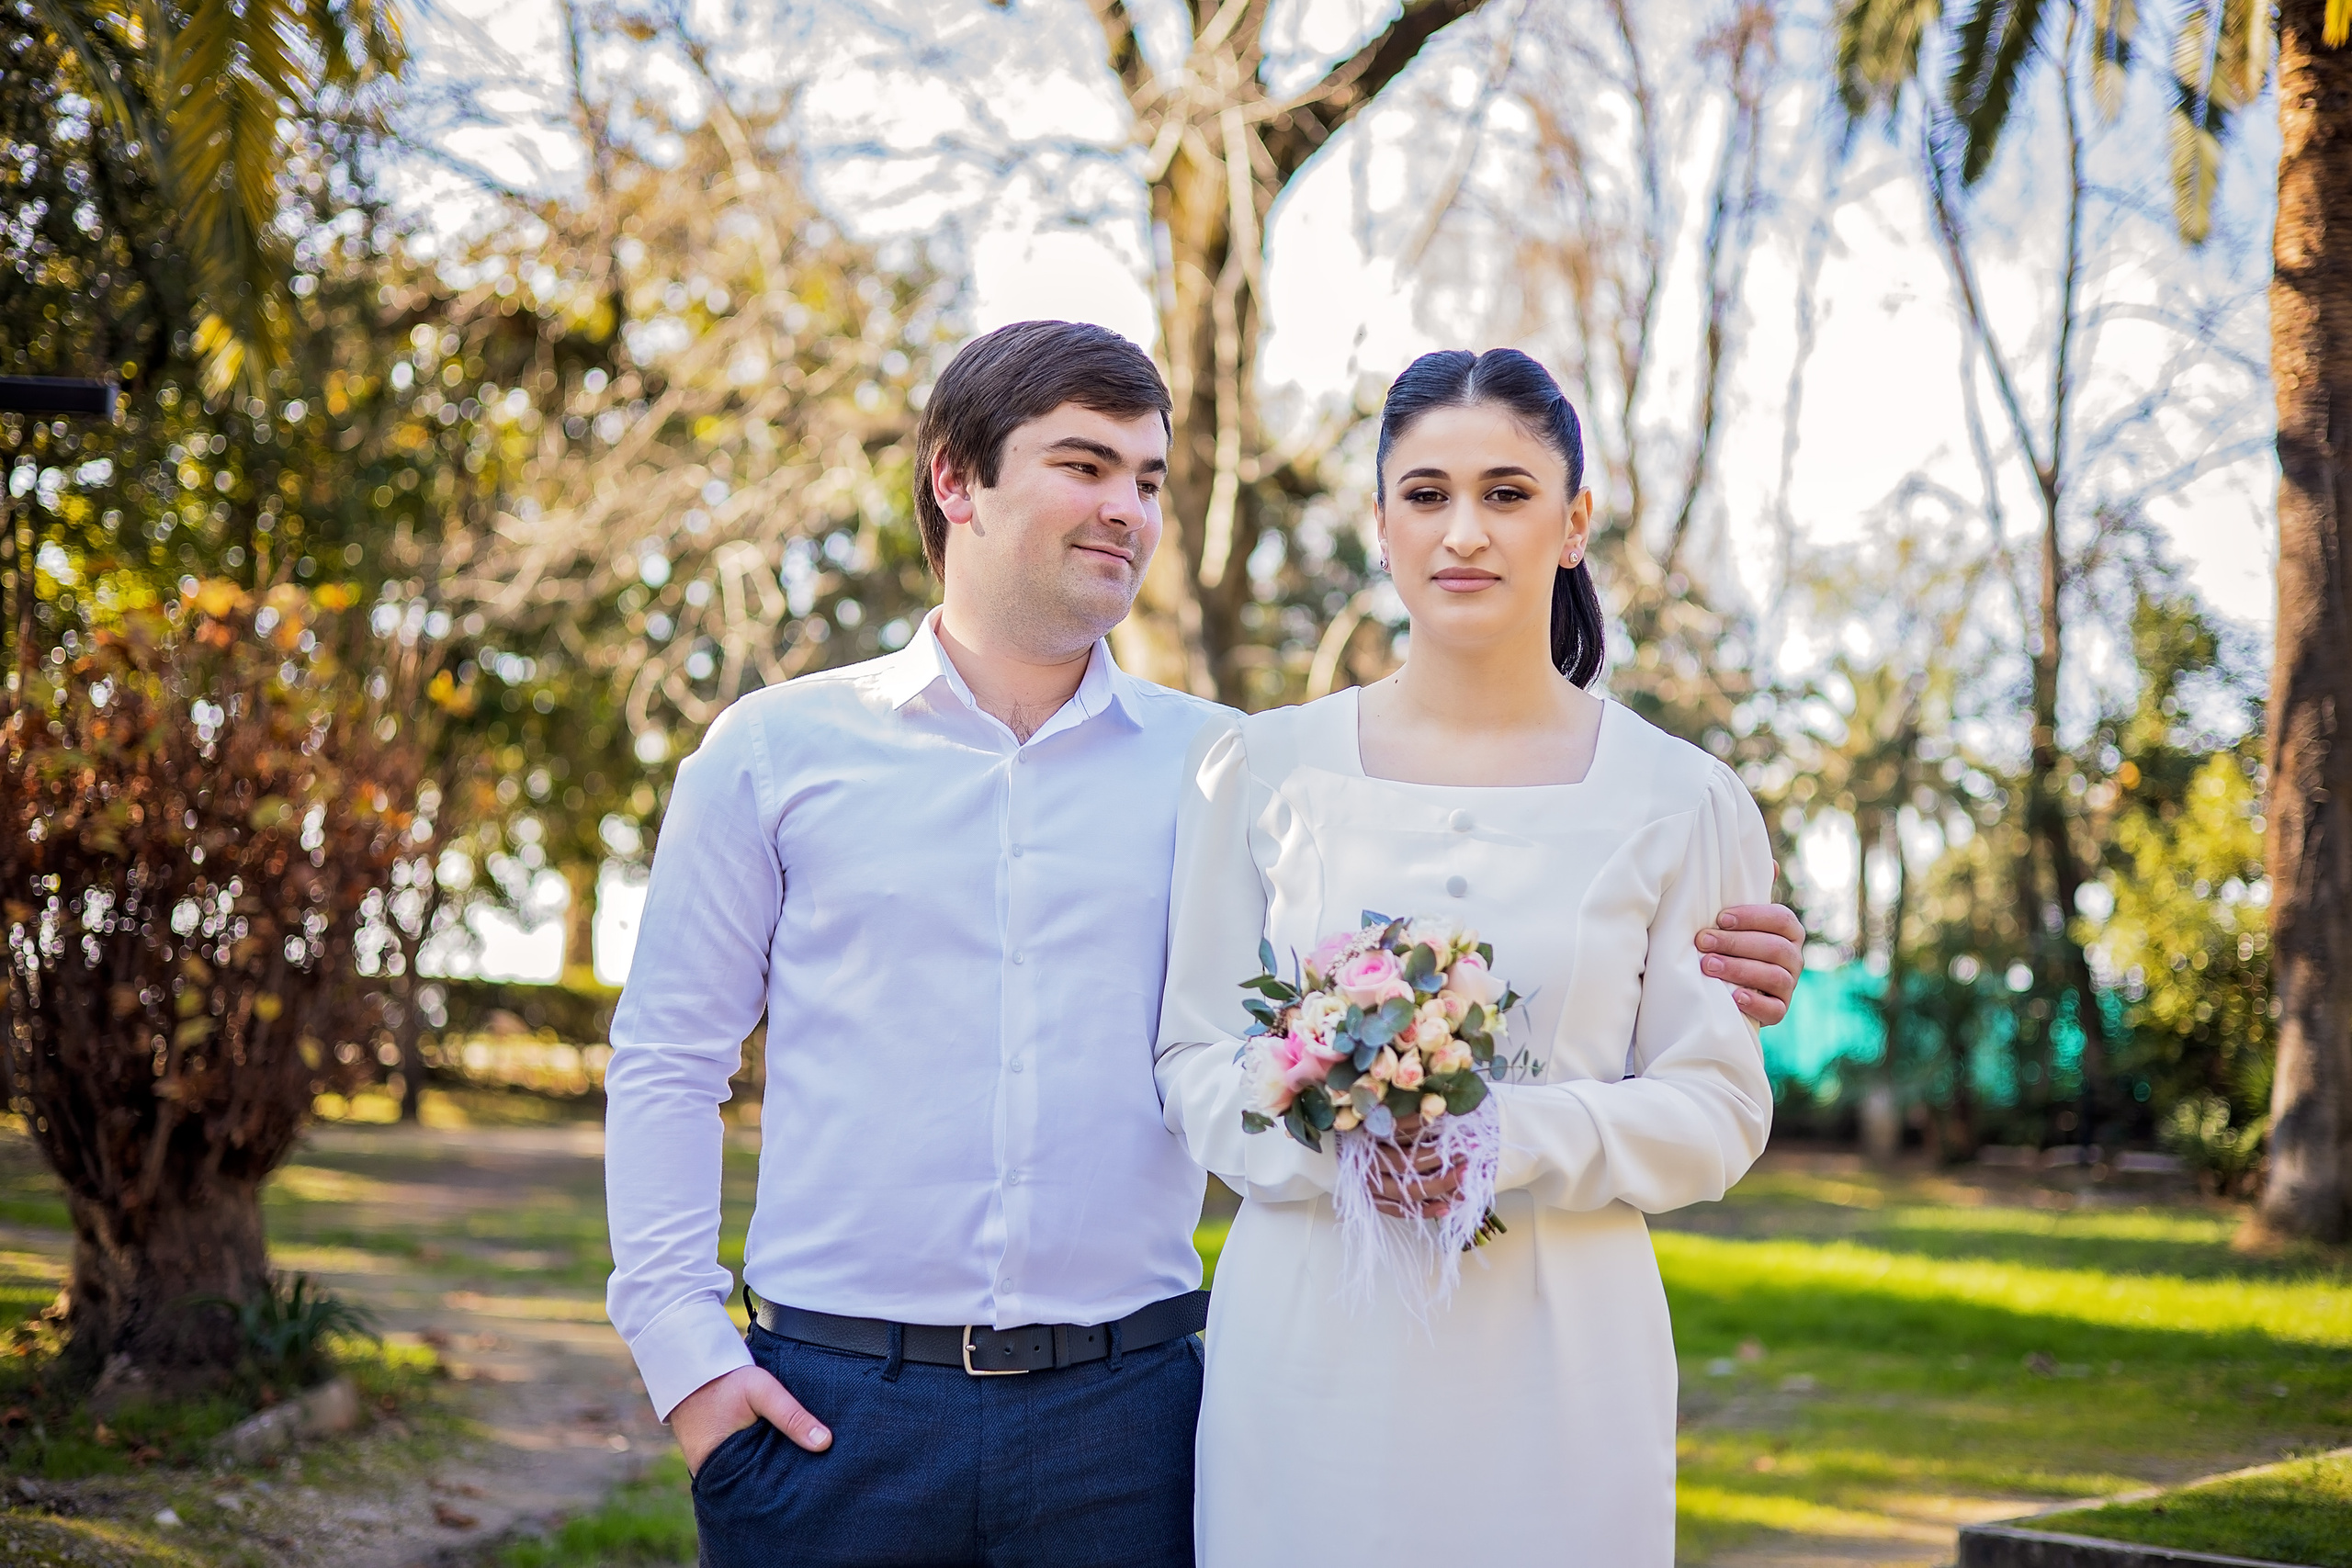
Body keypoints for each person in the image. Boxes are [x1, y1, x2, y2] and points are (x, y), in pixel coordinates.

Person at [604, 321, 1804, 1567]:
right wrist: (687, 1361)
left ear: (1573, 520)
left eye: (1148, 477)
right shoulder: (779, 752)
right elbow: (667, 1060)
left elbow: (1659, 1026)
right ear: (953, 477)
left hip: (1124, 1420)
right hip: (835, 1402)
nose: (1125, 506)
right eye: (1084, 465)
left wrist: (1727, 958)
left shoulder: (1220, 758)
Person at [1157, 347, 1773, 1565]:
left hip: (1562, 1359)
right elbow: (1191, 1058)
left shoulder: (1682, 798)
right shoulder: (1260, 771)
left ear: (1575, 521)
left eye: (1507, 492)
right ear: (1380, 526)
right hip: (1309, 1347)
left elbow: (1716, 1107)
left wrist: (1502, 1141)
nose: (1466, 533)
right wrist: (1329, 1132)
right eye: (1427, 495)